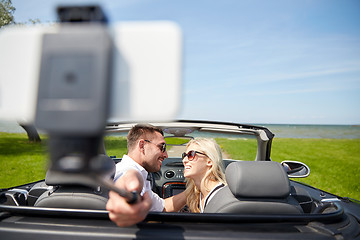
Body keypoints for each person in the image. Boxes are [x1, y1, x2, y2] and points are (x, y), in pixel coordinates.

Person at [106, 124, 186, 227]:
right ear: (142, 145)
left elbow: (163, 207)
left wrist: (191, 192)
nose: (166, 155)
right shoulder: (127, 172)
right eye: (162, 147)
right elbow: (128, 182)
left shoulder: (140, 172)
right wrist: (130, 197)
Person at [182, 138, 227, 213]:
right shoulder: (199, 194)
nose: (184, 160)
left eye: (191, 154)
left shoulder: (220, 196)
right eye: (184, 155)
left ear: (209, 161)